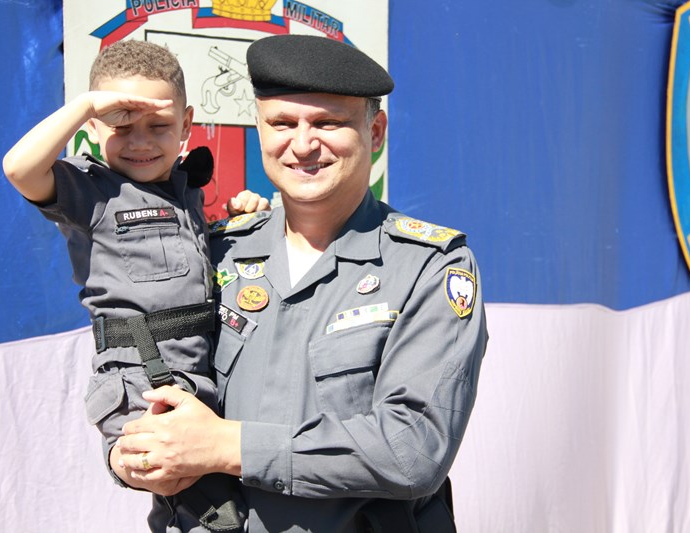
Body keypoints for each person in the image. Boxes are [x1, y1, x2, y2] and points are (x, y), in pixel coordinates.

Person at [110, 34, 488, 532]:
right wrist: (127, 454)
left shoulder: (428, 267)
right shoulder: (214, 251)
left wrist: (227, 446)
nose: (304, 143)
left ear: (375, 131)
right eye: (282, 123)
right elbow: (138, 364)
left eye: (328, 123)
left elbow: (412, 448)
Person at [2, 39, 268, 532]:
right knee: (203, 511)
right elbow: (19, 169)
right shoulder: (92, 192)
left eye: (159, 126)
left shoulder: (186, 192)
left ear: (187, 124)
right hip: (142, 383)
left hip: (202, 376)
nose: (140, 141)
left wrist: (235, 222)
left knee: (233, 506)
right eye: (121, 124)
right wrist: (85, 104)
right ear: (94, 127)